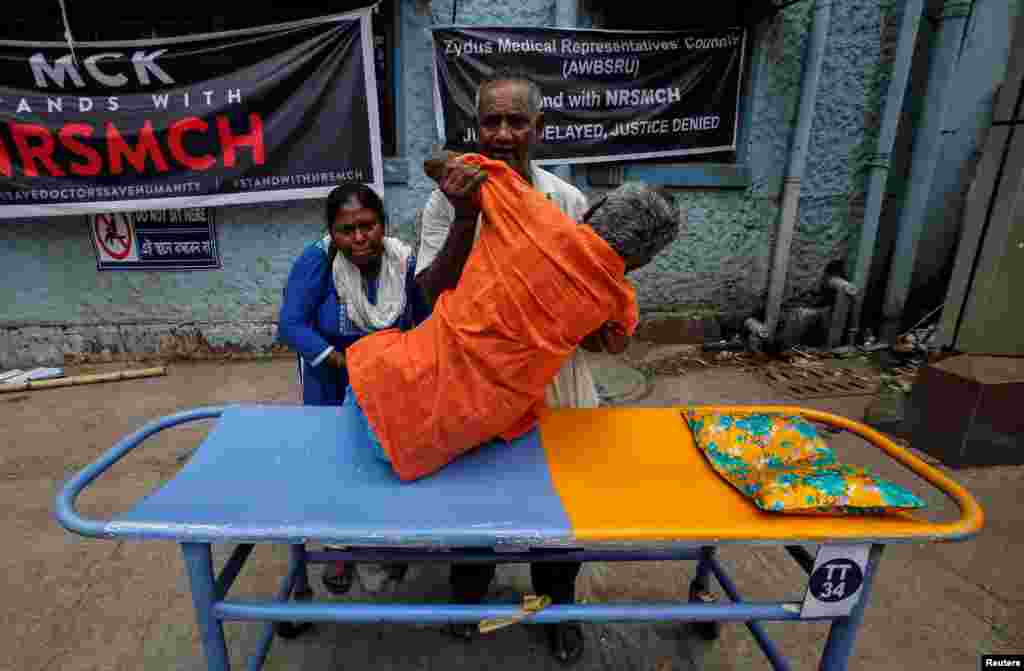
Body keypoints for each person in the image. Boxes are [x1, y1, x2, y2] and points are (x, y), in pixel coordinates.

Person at [412, 68, 636, 665]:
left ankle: (556, 606)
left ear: (539, 128)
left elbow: (588, 302)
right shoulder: (447, 198)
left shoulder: (565, 202)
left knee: (559, 512)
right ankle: (467, 600)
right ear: (475, 128)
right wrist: (465, 216)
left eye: (516, 120)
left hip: (555, 380)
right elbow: (431, 296)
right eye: (492, 120)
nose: (503, 132)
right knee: (475, 506)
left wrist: (608, 326)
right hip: (474, 381)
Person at [279, 182, 428, 595]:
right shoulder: (317, 262)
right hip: (331, 383)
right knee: (336, 464)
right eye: (347, 229)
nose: (359, 238)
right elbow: (291, 325)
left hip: (386, 386)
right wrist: (349, 366)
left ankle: (384, 542)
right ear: (332, 231)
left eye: (368, 225)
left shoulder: (404, 262)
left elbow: (425, 318)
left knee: (384, 461)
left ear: (383, 223)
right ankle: (338, 547)